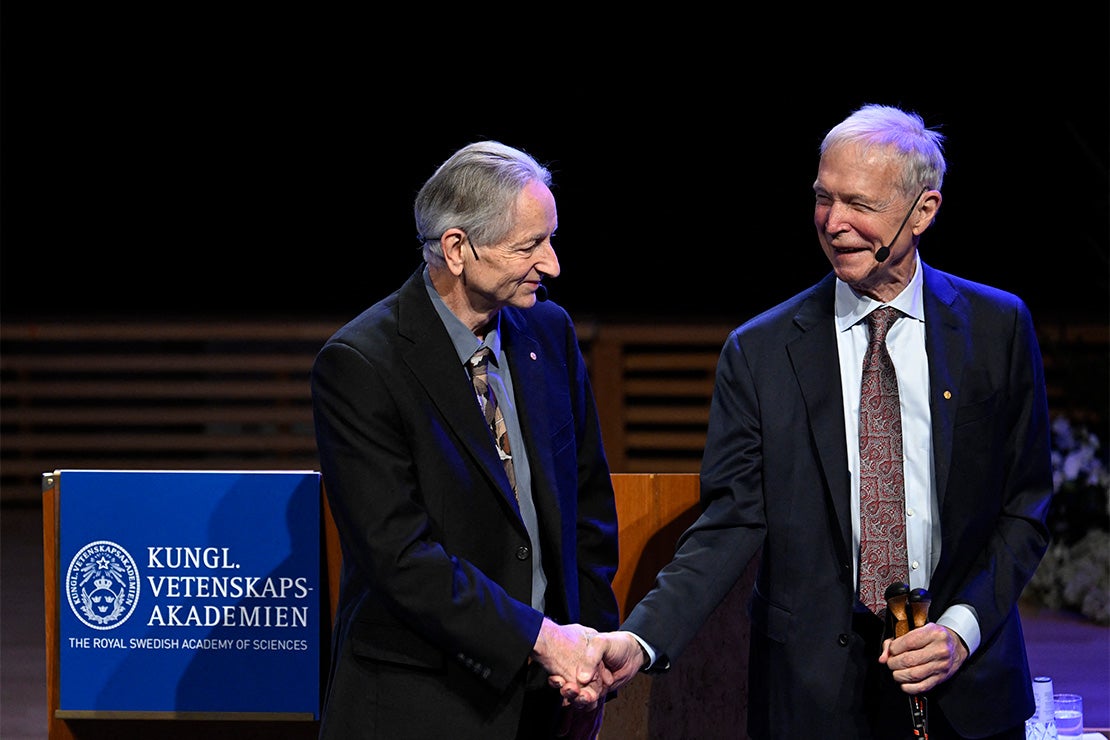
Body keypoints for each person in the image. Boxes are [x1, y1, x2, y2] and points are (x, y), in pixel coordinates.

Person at [566, 104, 1054, 739]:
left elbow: (1025, 509)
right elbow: (729, 523)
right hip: (812, 697)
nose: (833, 222)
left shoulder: (998, 328)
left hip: (966, 686)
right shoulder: (760, 351)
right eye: (823, 198)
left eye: (859, 204)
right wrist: (641, 640)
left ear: (924, 210)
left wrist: (960, 631)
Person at [311, 140, 620, 739]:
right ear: (456, 249)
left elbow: (588, 511)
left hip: (549, 701)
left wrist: (588, 666)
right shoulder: (361, 364)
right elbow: (401, 559)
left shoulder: (548, 331)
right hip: (421, 706)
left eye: (551, 239)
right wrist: (540, 639)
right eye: (529, 246)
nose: (552, 264)